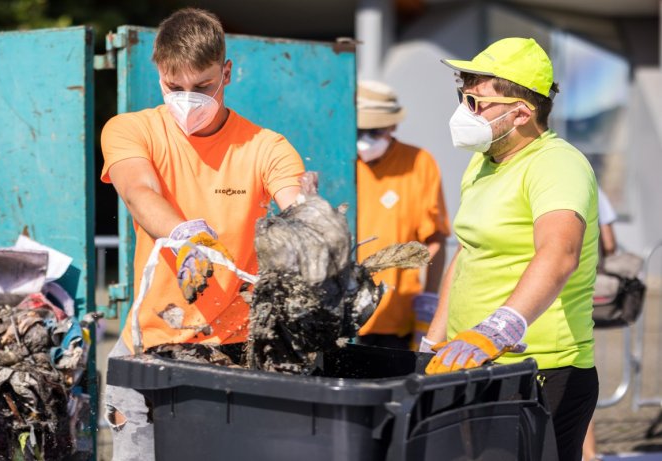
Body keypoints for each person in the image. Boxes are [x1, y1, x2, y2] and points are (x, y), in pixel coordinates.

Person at [100, 8, 305, 460]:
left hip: (237, 348)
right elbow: (138, 190)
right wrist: (187, 236)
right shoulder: (131, 130)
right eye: (175, 88)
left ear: (226, 73)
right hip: (149, 346)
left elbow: (294, 198)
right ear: (159, 75)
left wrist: (309, 219)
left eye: (203, 86)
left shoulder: (264, 146)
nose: (188, 99)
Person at [422, 37, 599, 461]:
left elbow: (559, 254)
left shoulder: (556, 164)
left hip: (542, 370)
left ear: (521, 113)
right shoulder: (484, 163)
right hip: (477, 362)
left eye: (474, 100)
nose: (464, 110)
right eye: (462, 96)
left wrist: (502, 328)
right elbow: (469, 253)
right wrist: (434, 340)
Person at [355, 80, 450, 350]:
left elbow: (435, 239)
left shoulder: (419, 163)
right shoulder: (338, 161)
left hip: (396, 317)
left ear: (392, 126)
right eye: (359, 131)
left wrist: (428, 305)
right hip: (338, 315)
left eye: (373, 131)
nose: (364, 140)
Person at [582, 185, 618, 461]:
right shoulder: (590, 184)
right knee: (579, 367)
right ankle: (590, 452)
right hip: (580, 292)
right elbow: (608, 243)